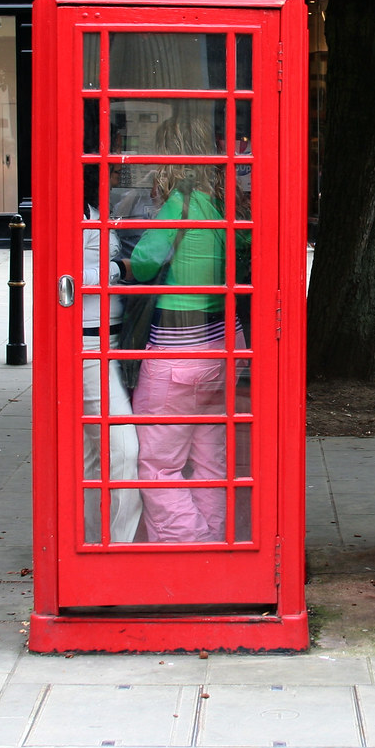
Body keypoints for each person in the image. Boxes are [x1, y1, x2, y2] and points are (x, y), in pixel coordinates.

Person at [128, 111, 249, 543]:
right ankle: (220, 547)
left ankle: (193, 549)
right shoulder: (223, 199)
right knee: (211, 462)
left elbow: (143, 265)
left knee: (158, 466)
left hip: (178, 353)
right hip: (224, 345)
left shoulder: (179, 203)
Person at [80, 168, 142, 543]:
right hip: (86, 347)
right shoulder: (69, 212)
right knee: (123, 450)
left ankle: (90, 542)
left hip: (115, 342)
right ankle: (120, 548)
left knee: (93, 454)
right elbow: (65, 274)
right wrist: (121, 269)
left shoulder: (95, 209)